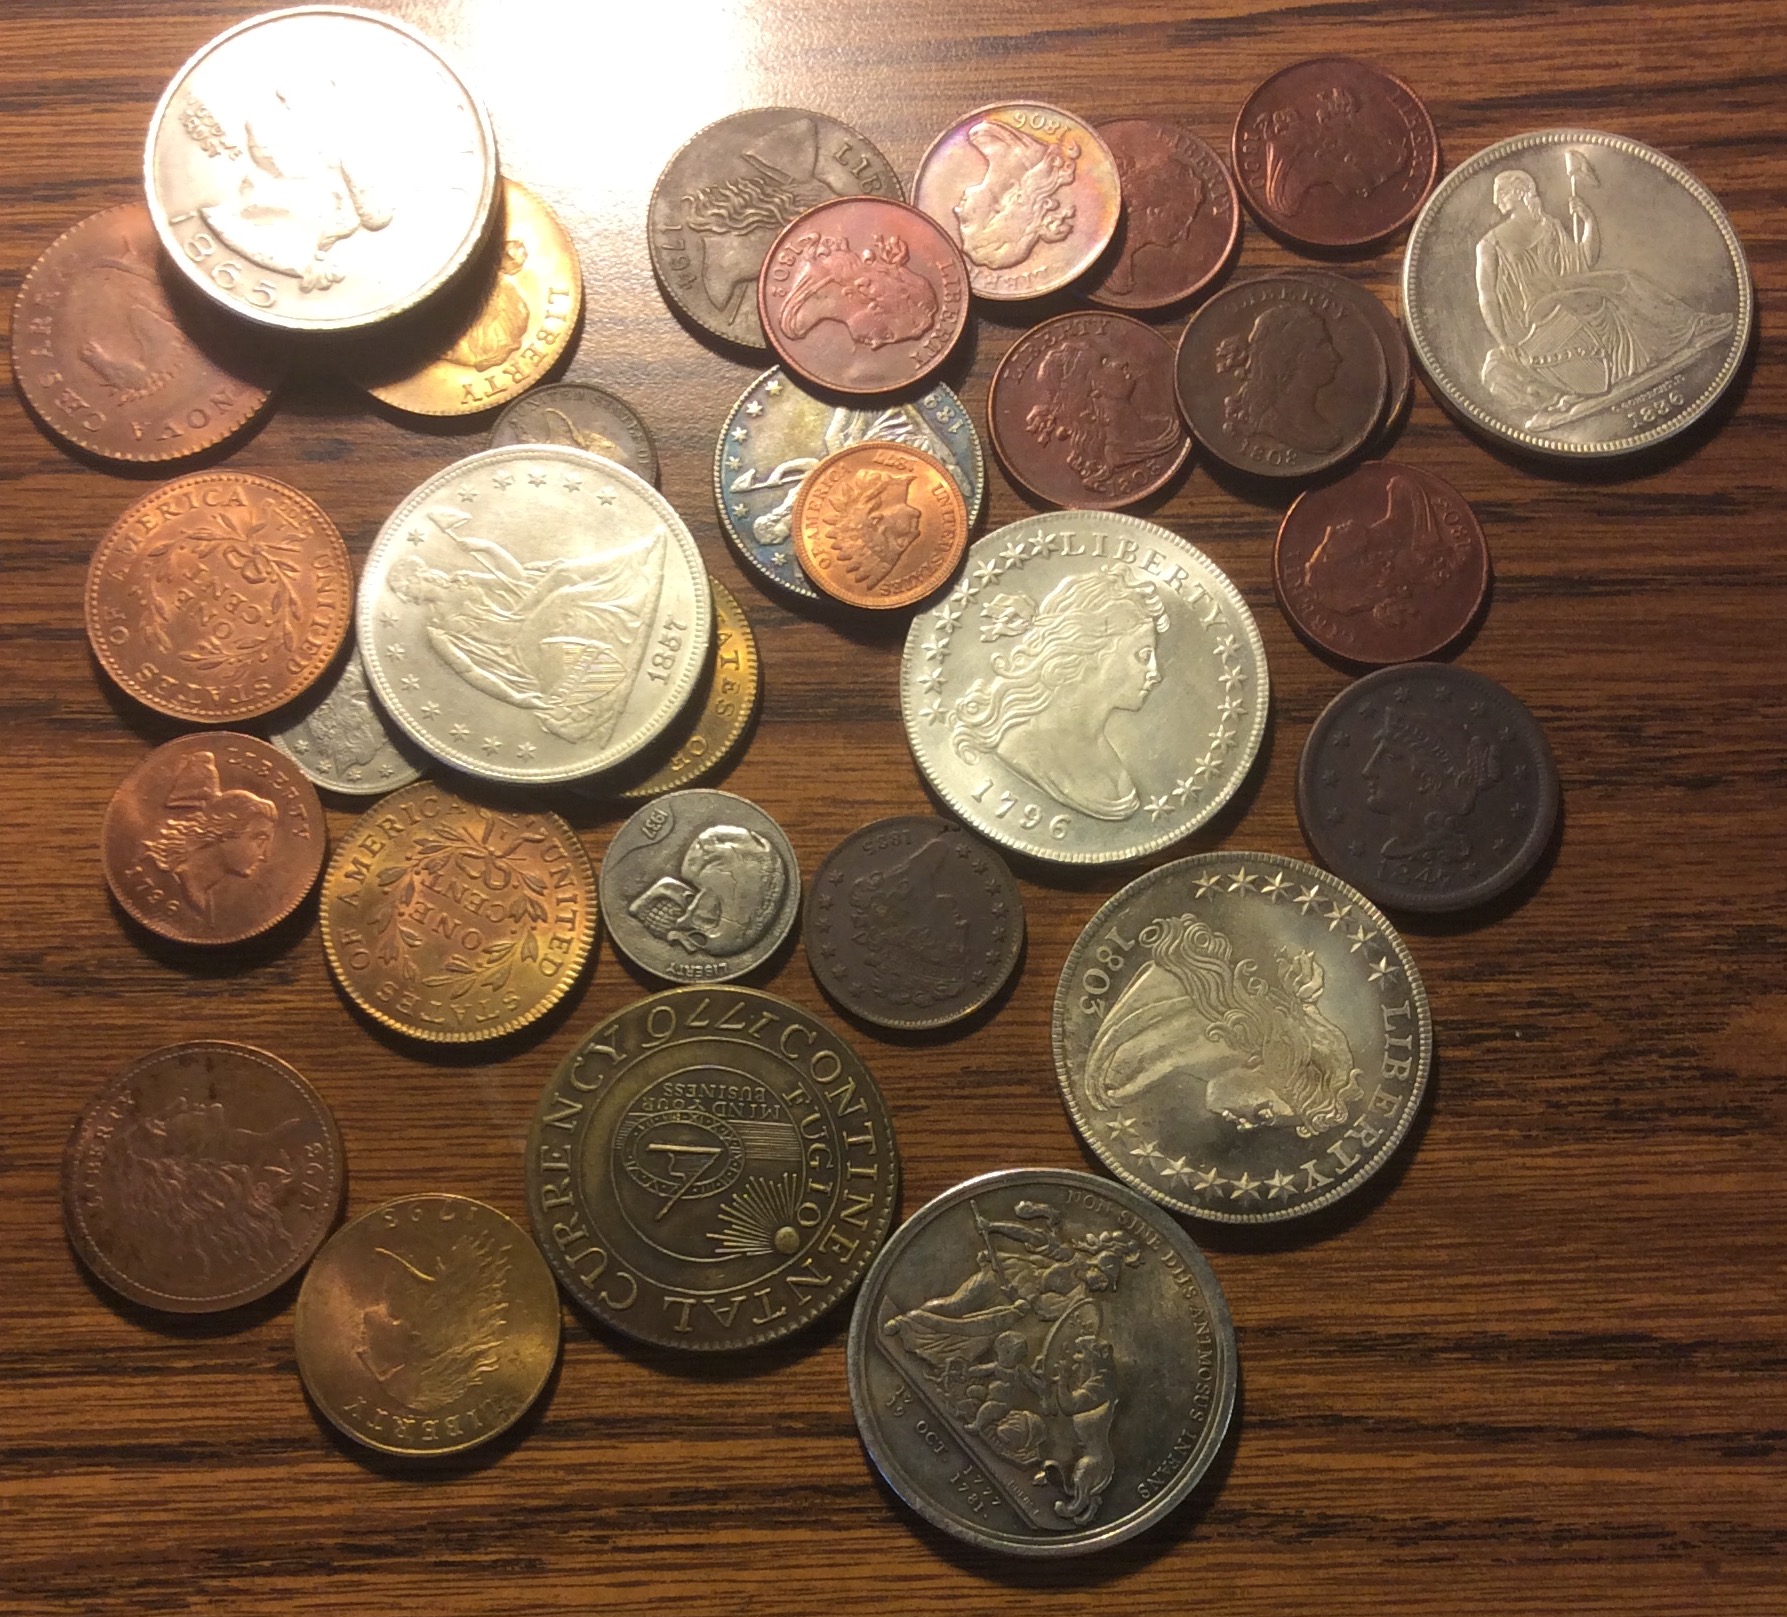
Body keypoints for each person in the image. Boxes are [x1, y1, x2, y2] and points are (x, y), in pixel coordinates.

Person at [1475, 167, 1734, 429]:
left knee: (1624, 279)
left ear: (1519, 191)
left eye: (1501, 193)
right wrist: (1503, 340)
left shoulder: (1550, 225)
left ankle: (1691, 325)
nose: (1496, 201)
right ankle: (1678, 333)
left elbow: (1582, 261)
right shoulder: (1489, 244)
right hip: (1538, 315)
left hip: (1570, 294)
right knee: (1615, 288)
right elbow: (1487, 296)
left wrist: (1589, 222)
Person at [1084, 914, 1364, 1137]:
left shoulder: (1122, 1083)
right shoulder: (1169, 991)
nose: (1245, 1125)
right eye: (1264, 1112)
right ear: (1265, 1065)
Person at [385, 524, 666, 745]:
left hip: (520, 617)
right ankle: (633, 603)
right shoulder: (438, 628)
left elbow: (515, 579)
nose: (410, 594)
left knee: (561, 573)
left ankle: (636, 557)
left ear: (419, 577)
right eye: (406, 591)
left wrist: (488, 548)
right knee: (563, 598)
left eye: (409, 586)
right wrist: (516, 698)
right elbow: (471, 672)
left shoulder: (463, 581)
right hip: (517, 649)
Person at [950, 566, 1168, 820]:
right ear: (1091, 652)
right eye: (1143, 655)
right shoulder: (1022, 748)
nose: (1155, 673)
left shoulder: (1106, 758)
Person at [1021, 327, 1184, 495]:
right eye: (1103, 362)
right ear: (1090, 388)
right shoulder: (1116, 456)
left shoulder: (1166, 425)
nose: (1121, 362)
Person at [139, 749, 279, 918]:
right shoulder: (164, 880)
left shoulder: (204, 898)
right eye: (259, 840)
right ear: (223, 831)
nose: (265, 855)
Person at [1217, 299, 1345, 455]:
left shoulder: (1325, 430)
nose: (1336, 357)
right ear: (1291, 356)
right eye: (1322, 346)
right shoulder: (1272, 424)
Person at [952, 118, 1079, 271]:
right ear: (1000, 209)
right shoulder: (994, 142)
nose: (957, 211)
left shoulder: (983, 137)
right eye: (966, 222)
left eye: (965, 223)